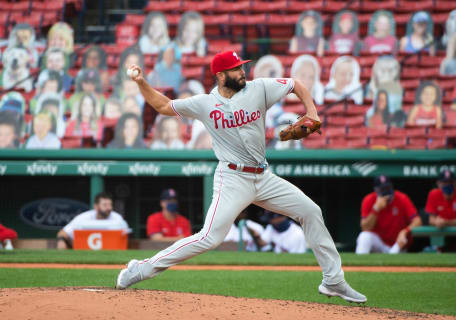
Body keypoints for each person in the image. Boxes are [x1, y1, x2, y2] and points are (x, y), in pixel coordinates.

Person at [116, 50, 367, 304]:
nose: (242, 71)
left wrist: (312, 112)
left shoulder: (259, 89)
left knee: (311, 211)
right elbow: (162, 105)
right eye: (236, 69)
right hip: (232, 178)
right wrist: (141, 83)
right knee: (209, 238)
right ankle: (141, 269)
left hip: (263, 177)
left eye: (241, 66)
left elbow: (296, 84)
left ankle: (334, 280)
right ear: (221, 75)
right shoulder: (205, 103)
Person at [356, 175, 421, 254]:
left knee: (401, 241)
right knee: (364, 236)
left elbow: (417, 221)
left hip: (398, 243)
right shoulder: (369, 199)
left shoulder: (402, 198)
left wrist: (405, 231)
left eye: (387, 188)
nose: (386, 192)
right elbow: (365, 227)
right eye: (382, 189)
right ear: (376, 190)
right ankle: (360, 265)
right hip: (380, 243)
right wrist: (376, 209)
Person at [56, 192, 129, 249]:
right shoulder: (83, 217)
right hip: (84, 254)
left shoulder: (117, 218)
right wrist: (61, 240)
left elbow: (125, 236)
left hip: (111, 254)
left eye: (110, 205)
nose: (109, 208)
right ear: (96, 206)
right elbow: (62, 233)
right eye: (105, 205)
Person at [425, 170, 456, 252]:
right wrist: (436, 221)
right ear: (438, 184)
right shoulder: (433, 194)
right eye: (444, 182)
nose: (447, 185)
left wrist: (445, 222)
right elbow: (431, 219)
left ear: (455, 183)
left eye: (450, 182)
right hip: (441, 238)